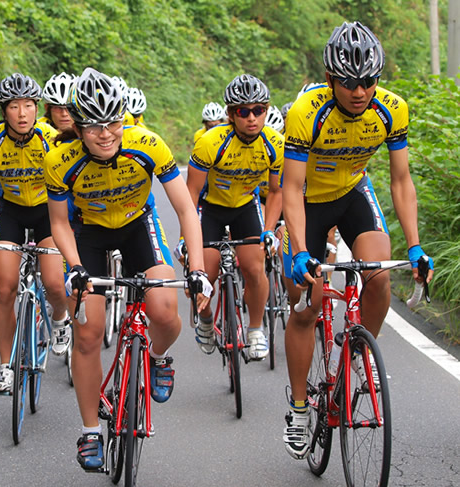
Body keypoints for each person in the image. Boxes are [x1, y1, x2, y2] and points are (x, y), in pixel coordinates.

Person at [44, 67, 212, 471]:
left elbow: (186, 207)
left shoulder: (148, 145)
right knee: (88, 333)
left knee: (167, 314)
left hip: (139, 225)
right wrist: (76, 267)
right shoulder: (59, 161)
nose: (106, 134)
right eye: (94, 126)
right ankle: (89, 431)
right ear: (77, 126)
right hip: (89, 233)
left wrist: (199, 268)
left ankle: (157, 356)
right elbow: (60, 224)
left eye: (113, 123)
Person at [281, 21, 434, 460]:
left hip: (352, 193)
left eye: (369, 81)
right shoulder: (306, 112)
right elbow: (290, 188)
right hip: (309, 201)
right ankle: (297, 407)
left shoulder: (391, 109)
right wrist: (297, 249)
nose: (360, 91)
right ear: (331, 79)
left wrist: (416, 243)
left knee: (378, 273)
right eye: (349, 82)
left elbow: (400, 179)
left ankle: (358, 357)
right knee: (306, 304)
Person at [0, 73, 72, 395]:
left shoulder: (52, 138)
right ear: (4, 111)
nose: (22, 113)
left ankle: (59, 318)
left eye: (28, 105)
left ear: (37, 108)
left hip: (47, 214)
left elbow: (69, 190)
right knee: (5, 288)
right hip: (10, 211)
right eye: (14, 106)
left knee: (56, 283)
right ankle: (5, 365)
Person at [186, 74, 284, 360]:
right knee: (206, 274)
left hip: (245, 205)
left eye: (259, 110)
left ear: (266, 110)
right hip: (211, 207)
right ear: (230, 114)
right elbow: (191, 193)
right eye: (243, 111)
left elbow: (276, 192)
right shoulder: (210, 142)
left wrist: (268, 230)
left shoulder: (275, 143)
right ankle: (205, 321)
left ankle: (255, 329)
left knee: (255, 268)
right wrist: (185, 237)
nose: (252, 118)